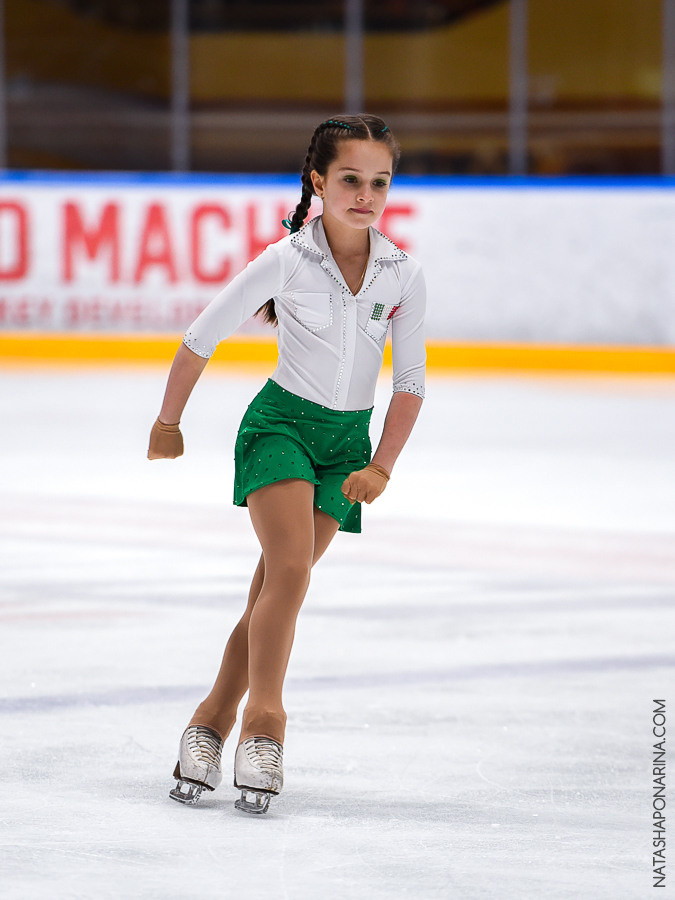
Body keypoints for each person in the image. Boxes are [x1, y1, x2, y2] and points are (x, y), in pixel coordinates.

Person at [148, 113, 426, 815]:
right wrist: (168, 421)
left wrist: (382, 466)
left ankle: (206, 721)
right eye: (349, 180)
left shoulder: (402, 272)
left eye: (378, 182)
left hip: (346, 446)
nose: (364, 195)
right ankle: (263, 724)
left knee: (275, 584)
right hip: (279, 429)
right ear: (318, 182)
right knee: (293, 571)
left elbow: (409, 383)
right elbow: (199, 337)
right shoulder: (285, 261)